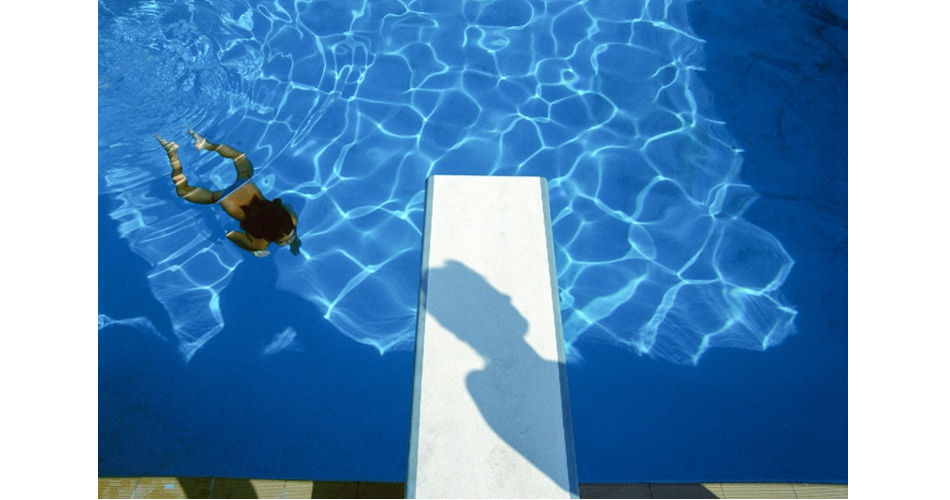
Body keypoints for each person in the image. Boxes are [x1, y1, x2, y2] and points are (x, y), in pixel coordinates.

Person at [155, 130, 301, 257]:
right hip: (224, 198)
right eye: (289, 238)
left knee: (239, 157)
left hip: (245, 184)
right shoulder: (260, 243)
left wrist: (292, 235)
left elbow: (286, 206)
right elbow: (230, 234)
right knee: (182, 190)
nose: (289, 241)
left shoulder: (292, 219)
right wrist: (252, 249)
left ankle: (205, 144)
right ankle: (172, 152)